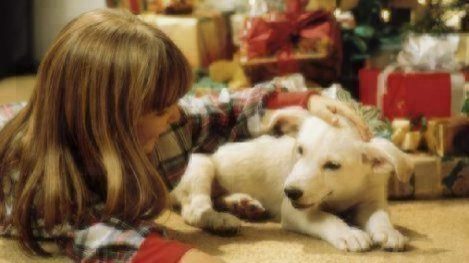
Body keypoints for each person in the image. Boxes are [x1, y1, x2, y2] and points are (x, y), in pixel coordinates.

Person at [0, 9, 370, 263]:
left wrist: (306, 99)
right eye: (161, 109)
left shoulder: (169, 126)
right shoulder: (40, 177)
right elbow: (94, 239)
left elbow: (224, 109)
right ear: (112, 124)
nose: (176, 113)